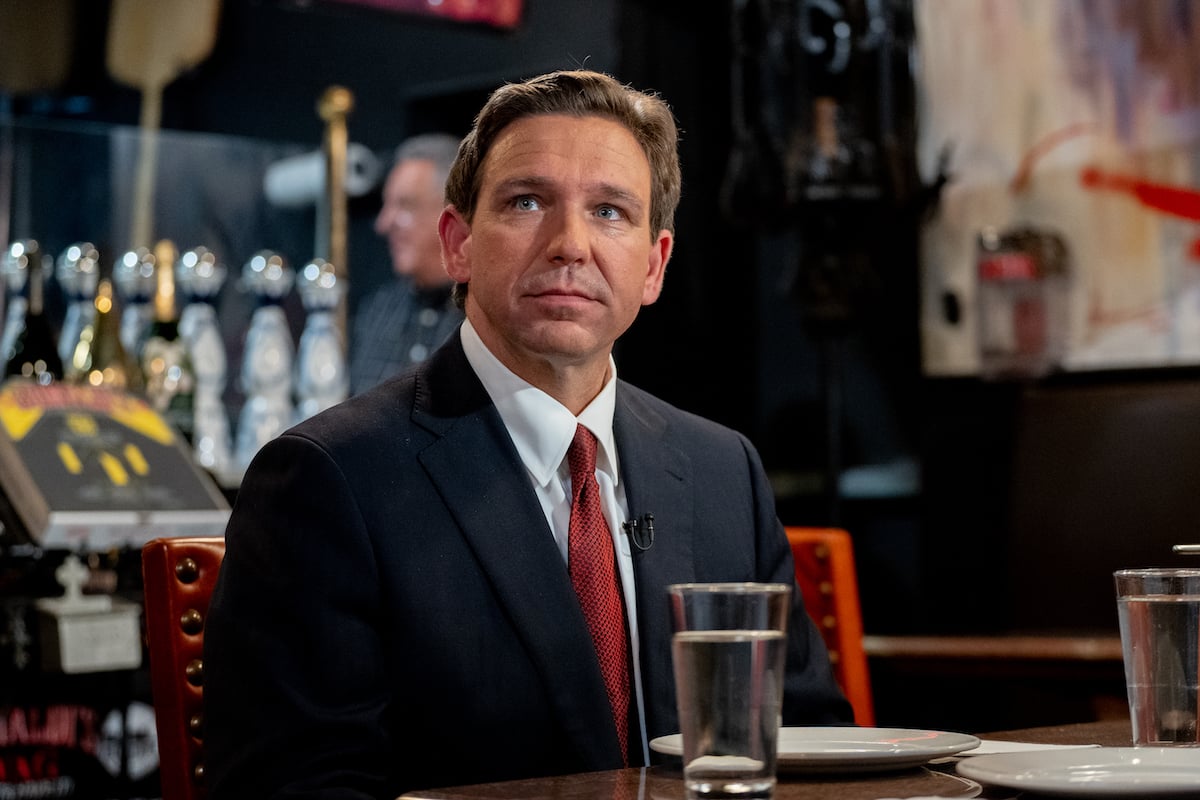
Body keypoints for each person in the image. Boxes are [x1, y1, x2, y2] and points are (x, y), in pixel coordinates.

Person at [204, 68, 853, 799]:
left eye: (610, 211)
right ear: (458, 244)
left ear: (655, 266)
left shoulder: (722, 470)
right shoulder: (327, 480)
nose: (570, 243)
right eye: (526, 201)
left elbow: (802, 744)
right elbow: (293, 787)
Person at [349, 132, 464, 395]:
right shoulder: (376, 310)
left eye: (405, 206)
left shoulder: (490, 319)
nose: (383, 224)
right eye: (386, 205)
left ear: (452, 215)